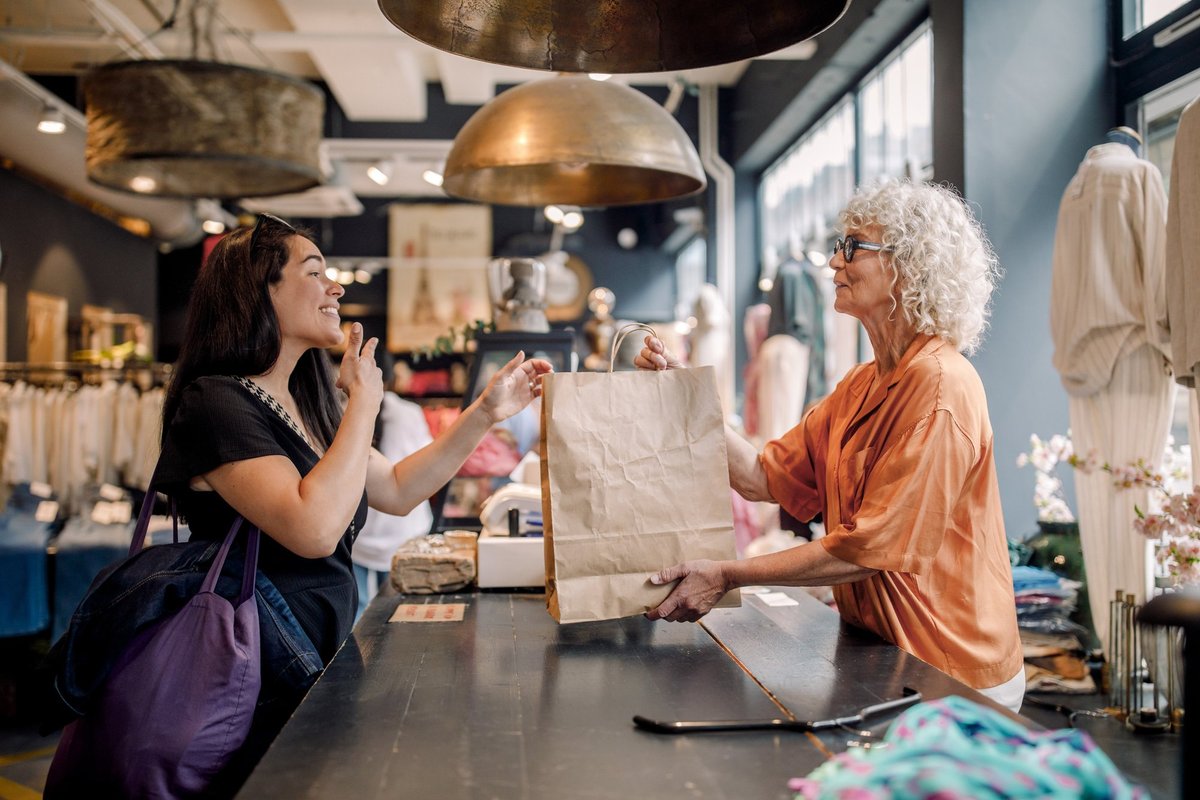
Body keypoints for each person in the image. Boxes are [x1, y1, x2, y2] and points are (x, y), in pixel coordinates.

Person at [153, 213, 552, 788]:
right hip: (247, 672)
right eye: (315, 272)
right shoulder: (216, 404)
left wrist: (486, 412)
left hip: (310, 659)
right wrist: (364, 402)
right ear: (257, 291)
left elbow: (397, 489)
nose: (336, 287)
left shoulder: (300, 404)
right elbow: (312, 529)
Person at [636, 180, 1025, 713]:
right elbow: (761, 476)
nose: (834, 263)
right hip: (886, 654)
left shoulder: (941, 385)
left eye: (852, 247)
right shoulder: (860, 386)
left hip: (951, 668)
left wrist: (728, 574)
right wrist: (682, 394)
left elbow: (870, 550)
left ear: (909, 266)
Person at [350, 352, 435, 622]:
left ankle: (355, 662)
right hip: (404, 528)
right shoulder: (410, 413)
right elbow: (426, 462)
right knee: (399, 608)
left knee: (357, 608)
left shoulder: (345, 411)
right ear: (392, 377)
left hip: (360, 530)